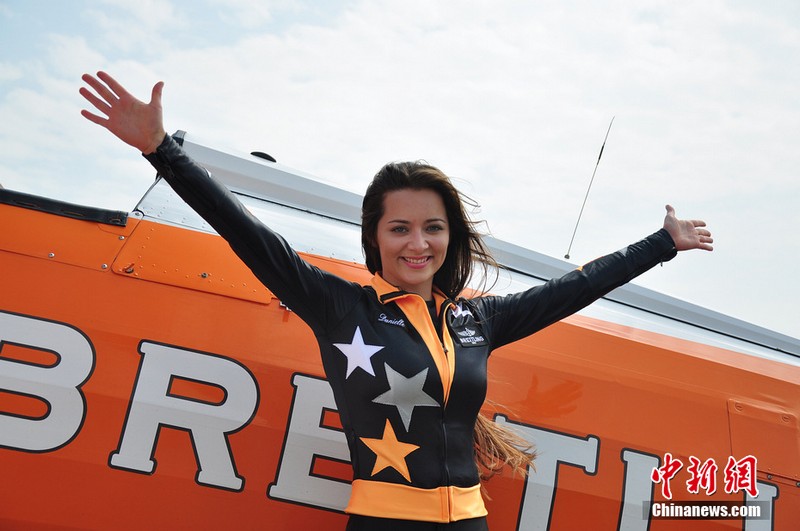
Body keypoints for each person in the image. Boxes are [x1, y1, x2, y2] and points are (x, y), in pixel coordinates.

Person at [80, 71, 713, 530]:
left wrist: (661, 243)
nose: (418, 243)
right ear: (375, 237)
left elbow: (575, 288)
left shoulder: (476, 320)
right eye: (400, 228)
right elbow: (249, 236)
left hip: (469, 521)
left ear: (449, 236)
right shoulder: (341, 308)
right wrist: (162, 150)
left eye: (433, 228)